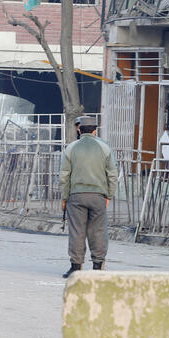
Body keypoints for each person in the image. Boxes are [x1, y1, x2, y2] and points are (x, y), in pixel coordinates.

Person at [60, 115, 118, 278]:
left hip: (76, 196)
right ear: (95, 130)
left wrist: (65, 197)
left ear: (79, 129)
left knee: (77, 231)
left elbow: (64, 175)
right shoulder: (105, 148)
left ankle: (76, 266)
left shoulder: (71, 148)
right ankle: (98, 266)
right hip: (98, 196)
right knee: (98, 231)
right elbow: (112, 174)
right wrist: (109, 195)